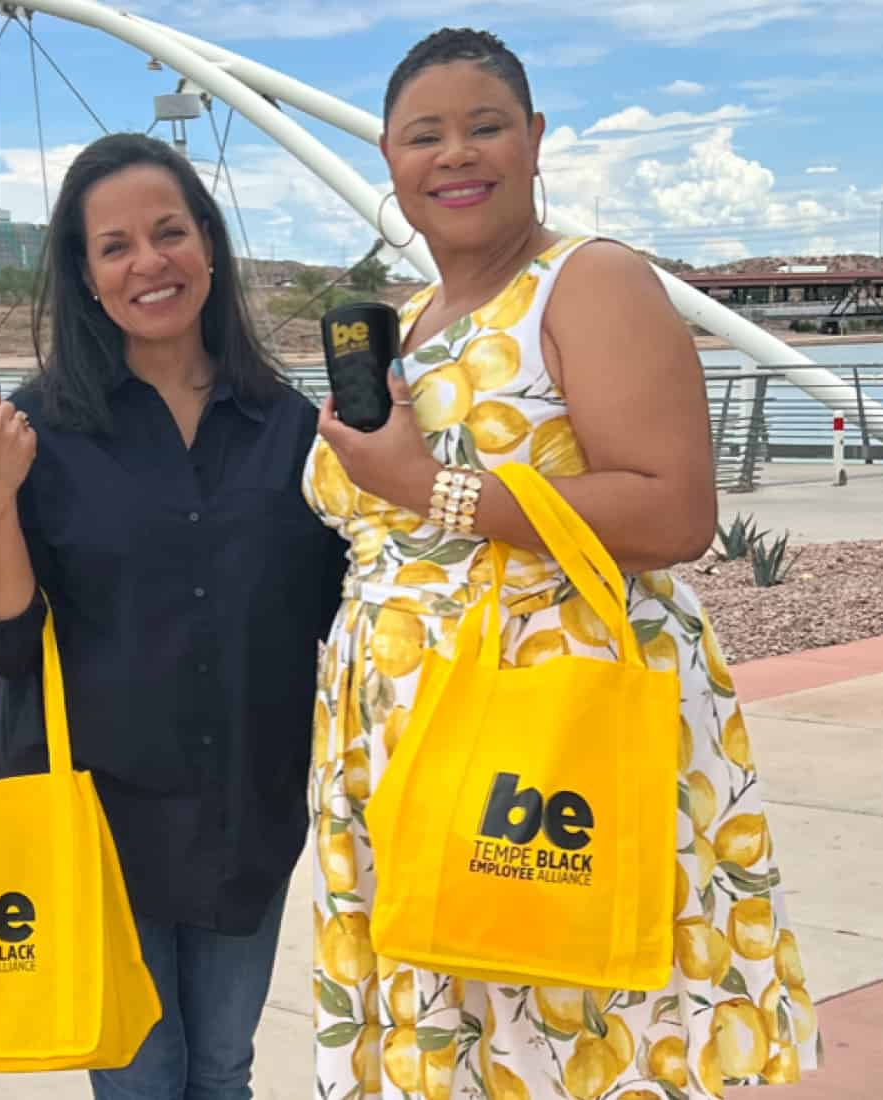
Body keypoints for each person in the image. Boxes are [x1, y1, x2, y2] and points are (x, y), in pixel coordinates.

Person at [303, 28, 820, 1100]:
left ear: (536, 141)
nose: (456, 154)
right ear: (391, 167)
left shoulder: (587, 281)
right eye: (424, 137)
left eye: (485, 127)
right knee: (456, 1045)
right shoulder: (401, 323)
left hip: (548, 734)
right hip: (403, 742)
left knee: (568, 1035)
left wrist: (429, 487)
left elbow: (674, 509)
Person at [0, 132, 347, 1100]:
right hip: (97, 822)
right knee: (138, 1080)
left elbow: (344, 605)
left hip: (244, 809)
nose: (148, 262)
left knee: (223, 1067)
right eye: (115, 245)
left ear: (208, 245)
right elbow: (4, 636)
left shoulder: (293, 428)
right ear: (85, 277)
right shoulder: (37, 428)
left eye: (169, 231)